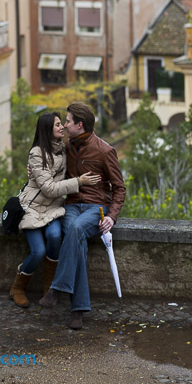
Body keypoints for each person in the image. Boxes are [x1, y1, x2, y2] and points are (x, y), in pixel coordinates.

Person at [39, 101, 125, 330]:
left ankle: (57, 289)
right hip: (71, 206)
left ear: (79, 124)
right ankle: (78, 310)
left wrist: (112, 217)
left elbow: (119, 188)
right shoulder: (65, 147)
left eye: (67, 121)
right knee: (78, 246)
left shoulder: (105, 150)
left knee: (76, 230)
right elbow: (46, 162)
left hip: (95, 208)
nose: (65, 125)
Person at [9, 112, 100, 309]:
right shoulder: (36, 153)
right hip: (33, 208)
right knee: (38, 251)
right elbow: (49, 189)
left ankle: (49, 287)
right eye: (58, 124)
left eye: (62, 123)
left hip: (54, 209)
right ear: (47, 129)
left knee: (55, 237)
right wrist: (79, 182)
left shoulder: (65, 149)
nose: (62, 127)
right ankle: (18, 287)